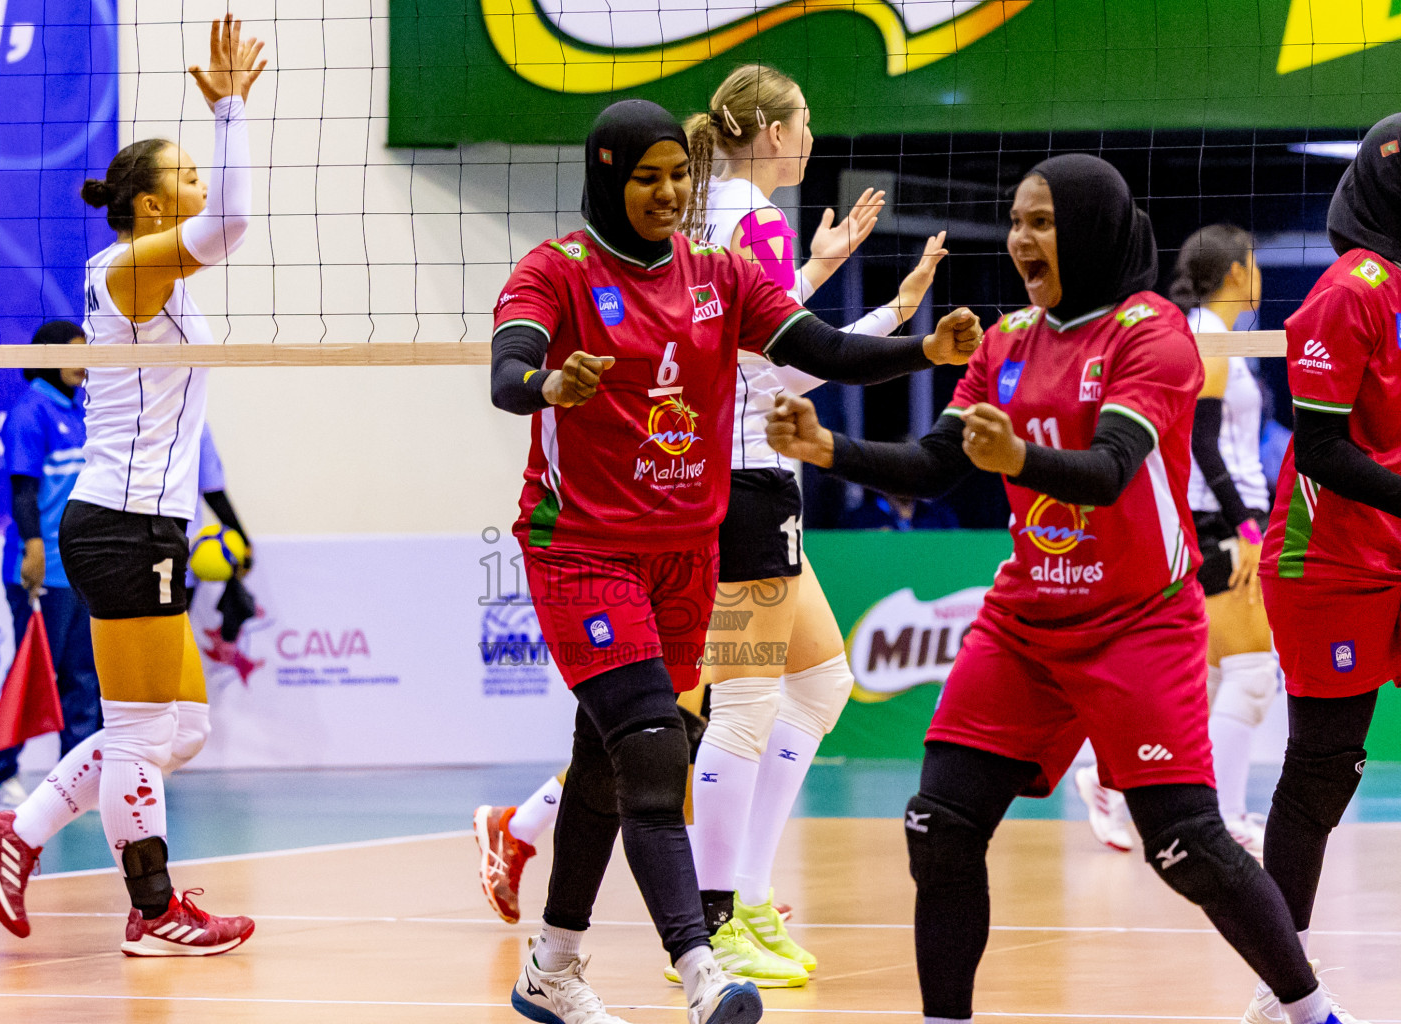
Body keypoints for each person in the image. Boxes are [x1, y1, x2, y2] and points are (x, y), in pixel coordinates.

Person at [766, 153, 1357, 1024]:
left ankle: (1311, 1011)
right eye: (1014, 222)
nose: (1018, 239)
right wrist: (829, 451)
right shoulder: (1006, 339)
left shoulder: (1151, 332)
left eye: (1039, 222)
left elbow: (1111, 468)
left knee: (1187, 844)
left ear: (1088, 228)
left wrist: (1018, 459)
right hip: (1025, 624)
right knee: (939, 824)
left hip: (1137, 622)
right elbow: (935, 462)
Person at [490, 97, 980, 1024]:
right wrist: (546, 382)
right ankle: (702, 962)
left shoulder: (718, 271)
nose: (670, 192)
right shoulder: (556, 271)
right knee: (652, 743)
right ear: (606, 177)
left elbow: (823, 351)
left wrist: (922, 347)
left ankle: (553, 965)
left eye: (679, 173)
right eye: (647, 178)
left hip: (685, 549)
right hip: (583, 550)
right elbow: (506, 368)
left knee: (605, 764)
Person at [0, 11, 263, 957]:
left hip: (149, 526)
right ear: (145, 203)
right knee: (139, 728)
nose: (198, 182)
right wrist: (229, 111)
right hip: (121, 524)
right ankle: (153, 907)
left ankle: (17, 831)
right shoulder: (130, 270)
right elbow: (237, 224)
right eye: (181, 173)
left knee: (180, 728)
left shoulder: (159, 282)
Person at [674, 63, 946, 986]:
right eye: (805, 120)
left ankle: (745, 896)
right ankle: (706, 928)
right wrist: (901, 331)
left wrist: (859, 295)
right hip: (745, 479)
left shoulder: (705, 212)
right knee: (742, 707)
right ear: (771, 130)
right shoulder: (751, 217)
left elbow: (767, 350)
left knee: (822, 682)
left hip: (732, 473)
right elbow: (786, 373)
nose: (812, 137)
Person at [1241, 114, 1401, 1024]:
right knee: (1323, 768)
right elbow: (1321, 450)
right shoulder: (1349, 291)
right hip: (1329, 562)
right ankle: (1280, 980)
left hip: (1396, 547)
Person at [1075, 224, 1276, 857]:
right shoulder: (1208, 338)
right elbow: (1204, 443)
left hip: (1217, 513)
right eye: (1257, 265)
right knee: (1248, 676)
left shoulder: (1214, 334)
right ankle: (1225, 814)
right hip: (1222, 518)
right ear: (1239, 273)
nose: (1263, 276)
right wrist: (1248, 527)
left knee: (1210, 678)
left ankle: (1108, 780)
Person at [0, 321, 103, 811]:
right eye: (74, 354)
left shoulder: (82, 412)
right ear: (49, 357)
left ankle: (74, 782)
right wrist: (33, 546)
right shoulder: (30, 411)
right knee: (34, 675)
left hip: (78, 570)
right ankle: (0, 776)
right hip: (39, 570)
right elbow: (23, 492)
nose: (84, 362)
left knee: (83, 677)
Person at [184, 423, 262, 685]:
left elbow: (213, 490)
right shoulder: (124, 411)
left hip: (180, 560)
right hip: (131, 557)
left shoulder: (196, 423)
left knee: (170, 652)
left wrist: (242, 542)